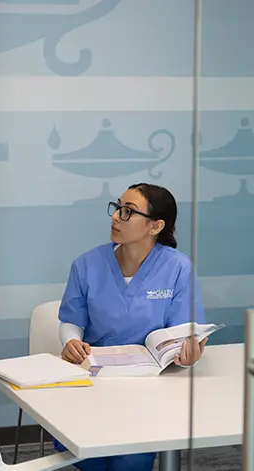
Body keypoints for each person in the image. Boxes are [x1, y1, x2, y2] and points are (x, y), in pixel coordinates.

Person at [56, 183, 206, 471]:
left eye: (128, 212)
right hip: (94, 382)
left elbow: (185, 332)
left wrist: (188, 355)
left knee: (131, 460)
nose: (115, 217)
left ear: (155, 226)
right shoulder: (87, 265)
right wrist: (71, 341)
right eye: (117, 208)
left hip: (150, 388)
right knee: (92, 456)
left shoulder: (178, 268)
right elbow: (71, 320)